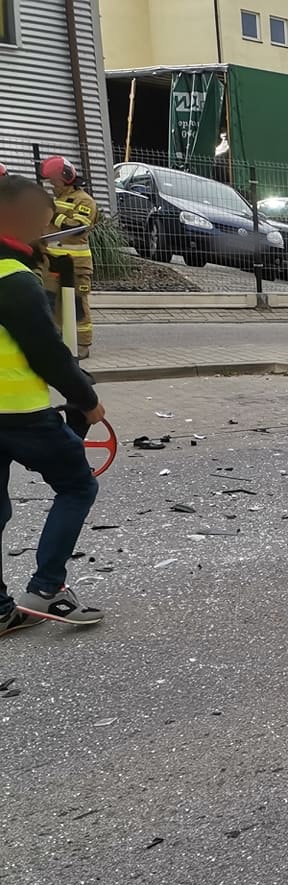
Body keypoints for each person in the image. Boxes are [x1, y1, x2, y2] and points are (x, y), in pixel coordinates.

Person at [0, 174, 105, 632]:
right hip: (20, 414)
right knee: (78, 485)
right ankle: (47, 590)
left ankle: (2, 611)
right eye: (40, 223)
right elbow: (48, 354)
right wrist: (87, 400)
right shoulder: (14, 279)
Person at [40, 156, 96, 359]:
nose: (52, 185)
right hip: (52, 263)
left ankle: (82, 345)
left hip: (76, 265)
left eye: (54, 180)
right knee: (53, 304)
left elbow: (76, 229)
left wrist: (53, 214)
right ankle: (58, 342)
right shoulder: (56, 200)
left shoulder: (84, 200)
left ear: (65, 177)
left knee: (77, 305)